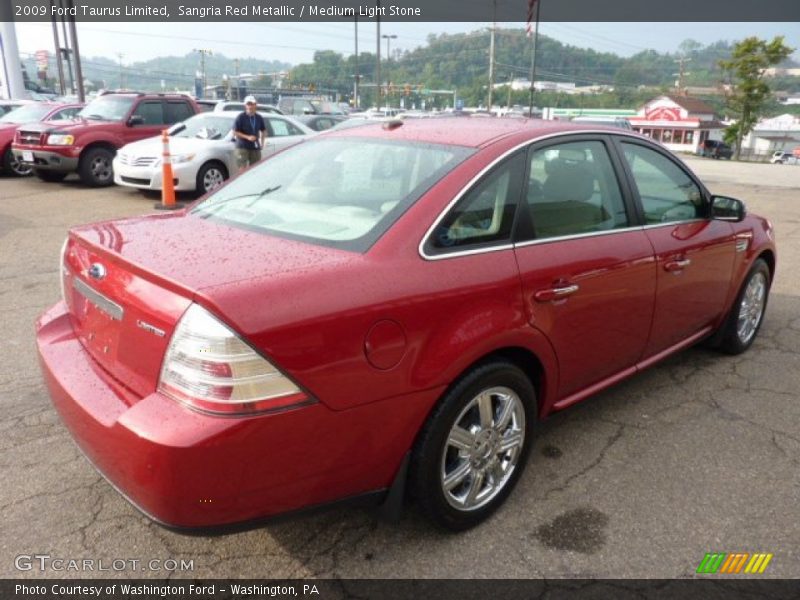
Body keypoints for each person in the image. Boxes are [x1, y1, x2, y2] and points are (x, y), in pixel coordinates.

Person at [233, 96, 267, 172]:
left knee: (255, 169)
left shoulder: (259, 117)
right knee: (242, 170)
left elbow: (264, 130)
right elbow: (235, 132)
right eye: (248, 104)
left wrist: (262, 143)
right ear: (245, 105)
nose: (250, 106)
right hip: (242, 147)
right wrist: (247, 137)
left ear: (255, 105)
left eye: (252, 104)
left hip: (255, 147)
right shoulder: (240, 117)